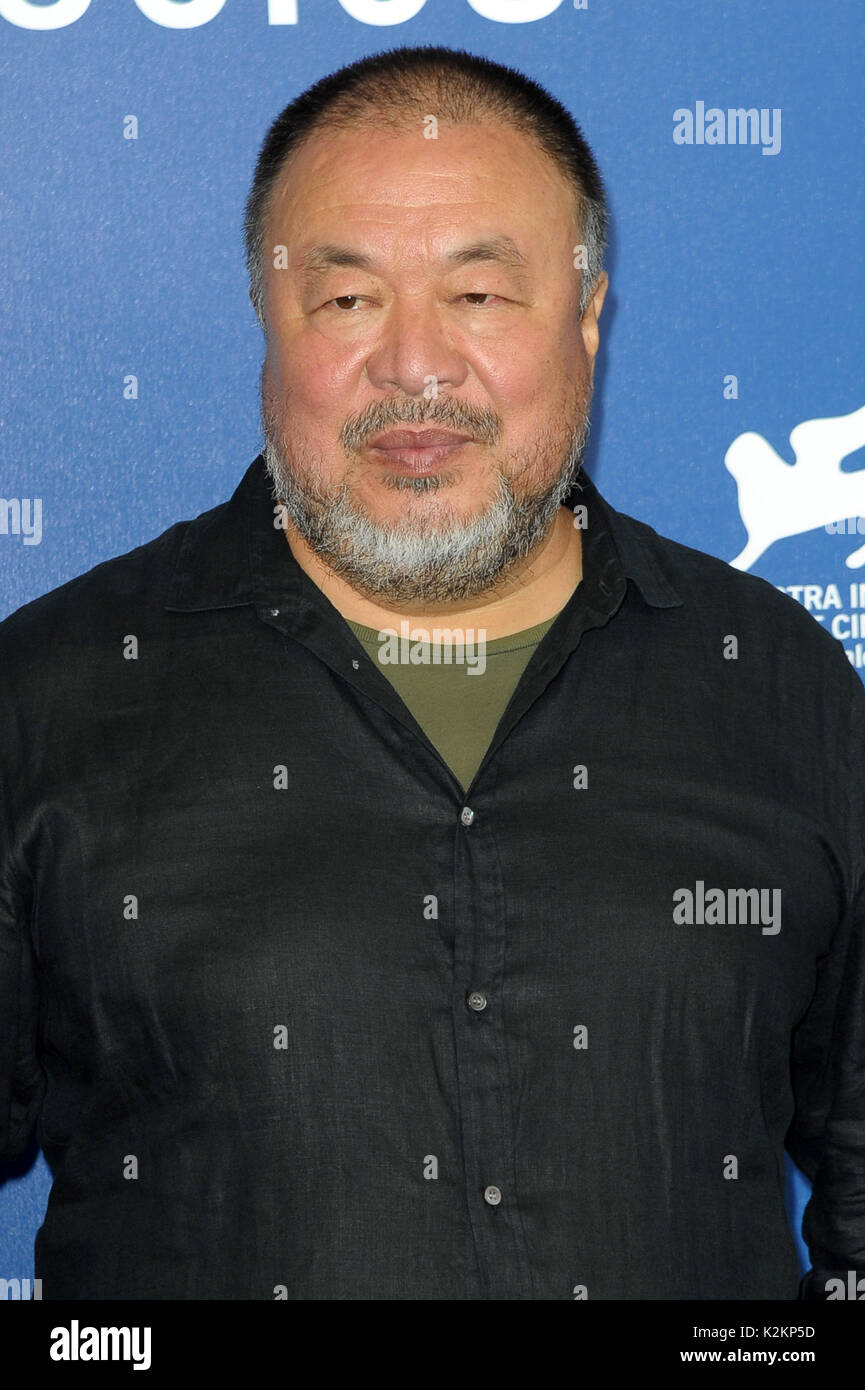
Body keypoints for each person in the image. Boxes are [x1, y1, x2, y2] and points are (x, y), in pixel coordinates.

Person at [1, 44, 862, 1301]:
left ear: (584, 314)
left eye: (476, 296)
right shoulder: (50, 694)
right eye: (346, 301)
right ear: (267, 320)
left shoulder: (779, 683)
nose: (415, 367)